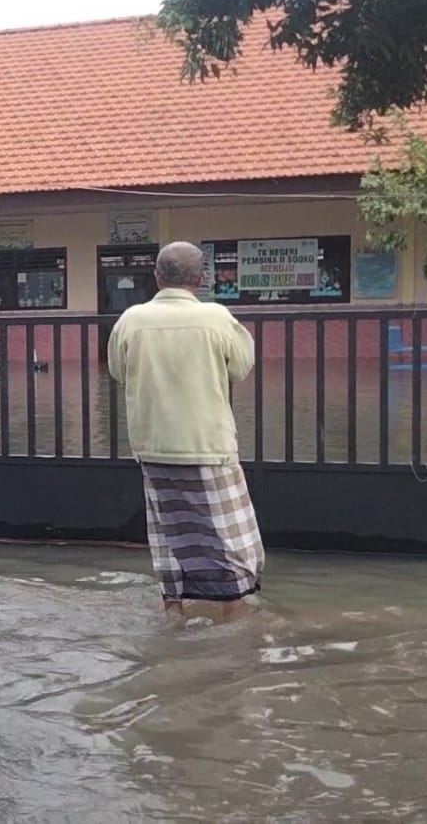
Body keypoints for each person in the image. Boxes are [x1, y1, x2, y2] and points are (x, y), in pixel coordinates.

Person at [107, 241, 263, 621]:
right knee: (229, 538)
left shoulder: (130, 319)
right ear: (202, 278)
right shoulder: (216, 317)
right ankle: (233, 613)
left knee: (169, 536)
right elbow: (240, 368)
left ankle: (174, 612)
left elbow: (117, 371)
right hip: (208, 446)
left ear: (157, 277)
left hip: (154, 447)